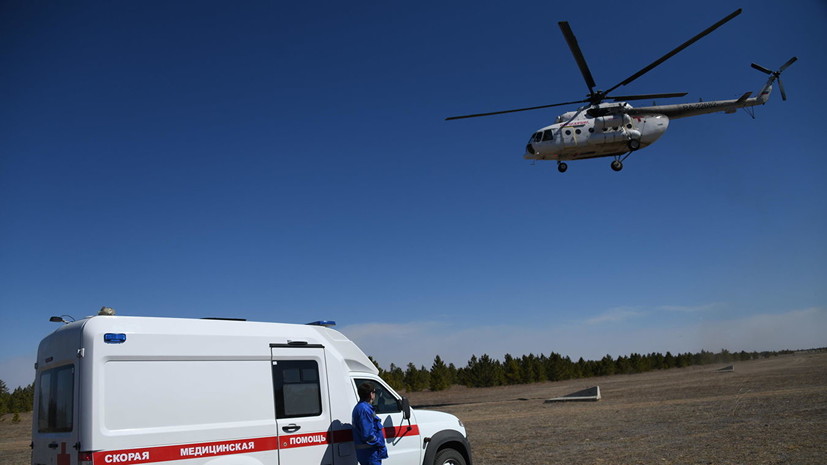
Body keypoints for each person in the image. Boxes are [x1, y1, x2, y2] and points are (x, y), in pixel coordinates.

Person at [352, 382, 389, 465]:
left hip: (369, 454)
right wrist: (380, 443)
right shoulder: (364, 410)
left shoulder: (363, 407)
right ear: (370, 394)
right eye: (374, 392)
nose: (375, 395)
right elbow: (368, 435)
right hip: (370, 454)